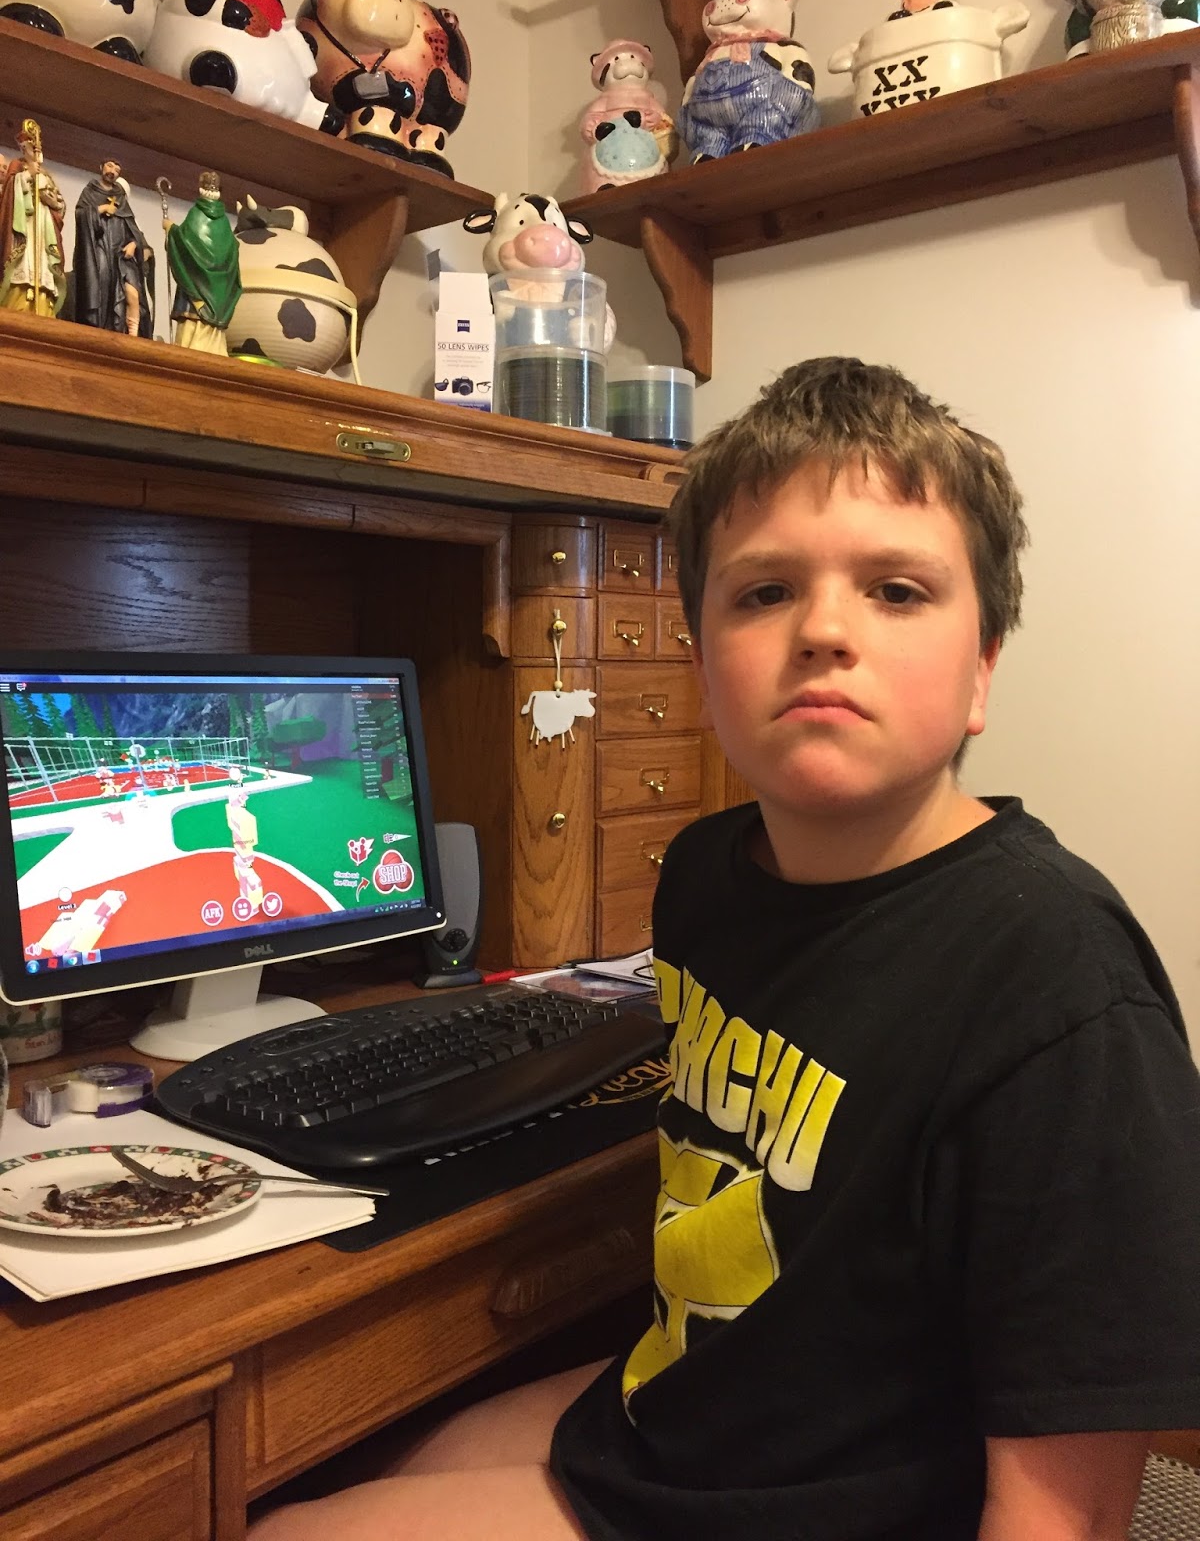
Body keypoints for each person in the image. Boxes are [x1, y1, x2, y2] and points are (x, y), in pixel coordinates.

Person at [250, 358, 1200, 1541]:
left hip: (827, 1506)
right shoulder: (704, 874)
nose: (825, 630)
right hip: (690, 1408)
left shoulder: (1059, 984)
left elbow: (1070, 1516)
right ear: (701, 666)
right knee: (369, 1465)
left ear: (982, 671)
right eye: (764, 592)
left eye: (897, 590)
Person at [74, 159, 155, 338]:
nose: (113, 171)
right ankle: (100, 328)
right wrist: (100, 209)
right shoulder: (90, 191)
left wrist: (133, 244)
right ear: (101, 167)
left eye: (117, 169)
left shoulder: (120, 198)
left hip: (121, 256)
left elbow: (133, 229)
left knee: (132, 293)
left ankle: (131, 336)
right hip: (100, 249)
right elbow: (80, 215)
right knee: (101, 283)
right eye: (110, 166)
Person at [163, 170, 241, 354]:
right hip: (218, 297)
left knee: (189, 344)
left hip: (195, 296)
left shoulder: (196, 215)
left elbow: (186, 247)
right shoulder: (224, 224)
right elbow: (231, 251)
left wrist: (171, 229)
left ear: (200, 188)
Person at [0, 119, 66, 319]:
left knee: (43, 267)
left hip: (43, 229)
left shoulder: (46, 174)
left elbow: (59, 204)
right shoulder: (17, 167)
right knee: (24, 264)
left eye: (36, 147)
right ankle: (20, 297)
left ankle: (43, 299)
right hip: (25, 227)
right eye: (29, 147)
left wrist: (52, 202)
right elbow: (10, 195)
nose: (34, 151)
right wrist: (27, 174)